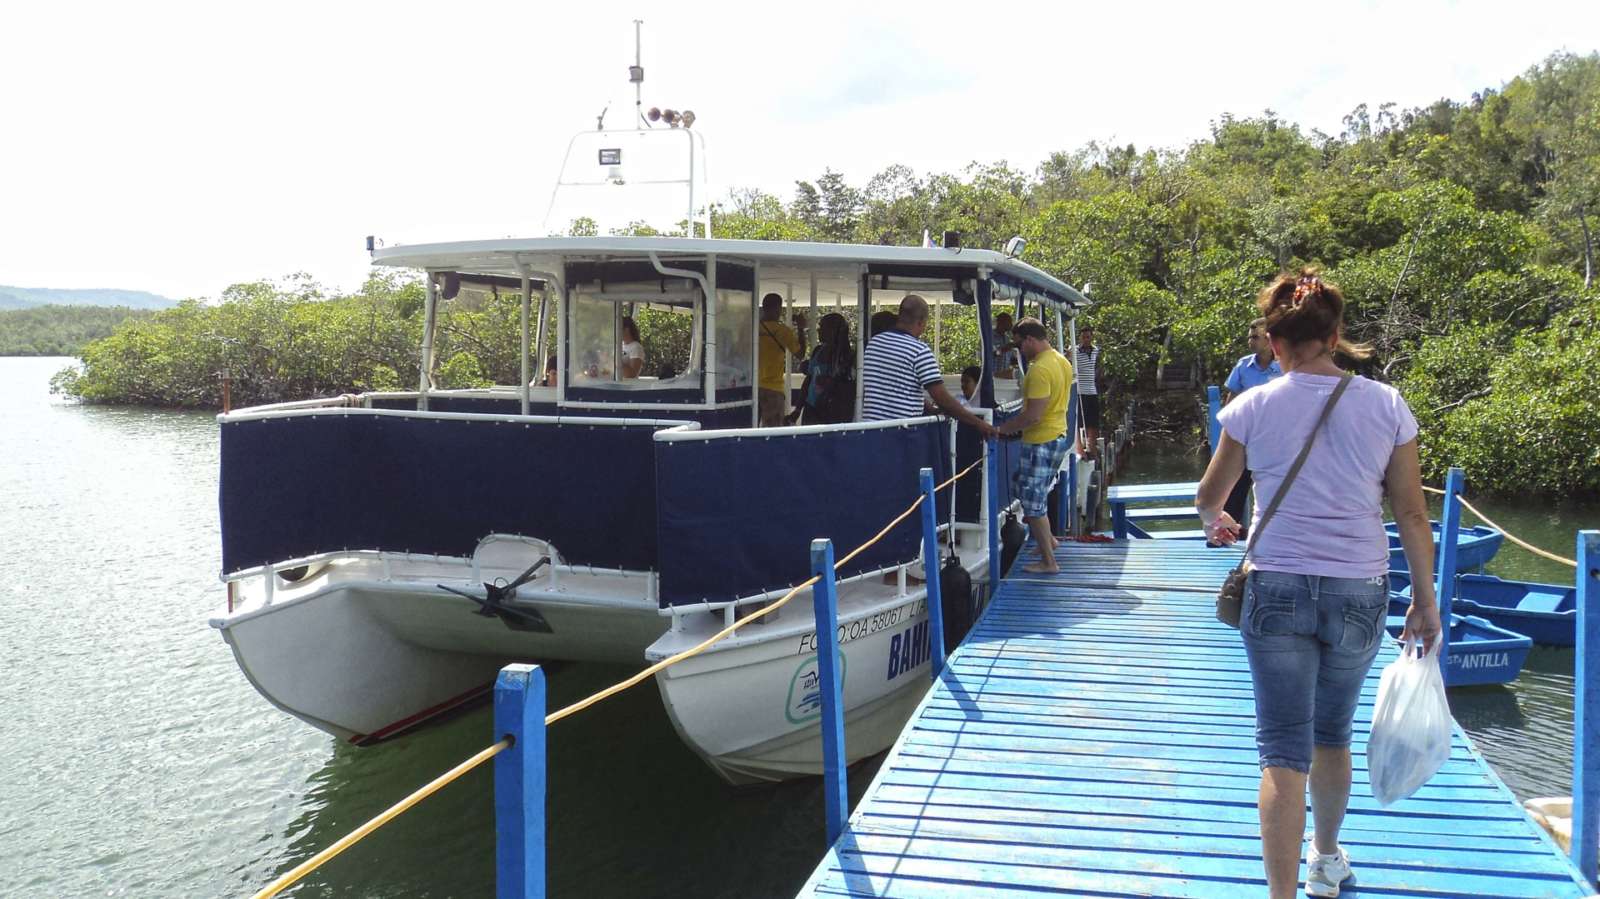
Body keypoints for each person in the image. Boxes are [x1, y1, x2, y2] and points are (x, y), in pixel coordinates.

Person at [1194, 269, 1442, 899]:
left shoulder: (1250, 406)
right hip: (1360, 588)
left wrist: (1216, 520)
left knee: (1282, 747)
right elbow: (1411, 513)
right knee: (1332, 733)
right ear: (1336, 336)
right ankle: (1325, 861)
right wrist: (1425, 599)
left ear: (1274, 344)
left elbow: (1210, 497)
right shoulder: (1386, 404)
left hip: (1274, 583)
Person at [994, 318, 1073, 574]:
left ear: (1030, 340)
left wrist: (1002, 429)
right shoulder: (1061, 361)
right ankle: (1048, 540)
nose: (1019, 350)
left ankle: (1050, 562)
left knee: (1033, 501)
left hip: (1041, 440)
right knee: (1025, 488)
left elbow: (1033, 415)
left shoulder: (1039, 369)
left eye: (1019, 345)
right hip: (1057, 435)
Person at [860, 295, 996, 440]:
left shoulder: (873, 344)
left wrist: (928, 407)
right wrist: (978, 423)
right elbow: (941, 397)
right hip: (900, 435)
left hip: (870, 432)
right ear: (921, 322)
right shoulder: (918, 350)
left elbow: (893, 387)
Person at [1217, 318, 1284, 543]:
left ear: (1269, 339)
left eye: (1255, 337)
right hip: (1246, 439)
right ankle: (1228, 536)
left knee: (1275, 490)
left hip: (1277, 440)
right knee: (1234, 489)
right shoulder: (1243, 365)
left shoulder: (1285, 366)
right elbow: (1231, 401)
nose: (1250, 341)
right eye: (1249, 336)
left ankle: (1272, 537)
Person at [794, 312, 854, 424]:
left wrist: (832, 383)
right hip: (811, 409)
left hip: (832, 413)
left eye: (822, 327)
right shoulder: (818, 351)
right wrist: (797, 410)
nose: (819, 330)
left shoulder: (846, 356)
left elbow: (849, 388)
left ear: (833, 330)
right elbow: (808, 382)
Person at [756, 293, 805, 426]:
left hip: (753, 387)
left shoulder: (753, 329)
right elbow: (800, 354)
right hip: (773, 388)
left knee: (750, 428)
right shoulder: (783, 331)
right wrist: (801, 328)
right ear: (777, 308)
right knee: (774, 431)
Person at [1073, 325, 1106, 456]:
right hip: (1080, 392)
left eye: (1088, 337)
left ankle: (1091, 447)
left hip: (1092, 391)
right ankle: (1080, 448)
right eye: (1083, 337)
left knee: (1093, 423)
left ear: (1091, 337)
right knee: (1079, 422)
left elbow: (1100, 368)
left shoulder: (1096, 351)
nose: (1086, 339)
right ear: (1080, 338)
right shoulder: (1074, 351)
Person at [992, 312, 1021, 379]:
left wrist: (1021, 360)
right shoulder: (989, 337)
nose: (1011, 324)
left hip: (1005, 377)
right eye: (1009, 322)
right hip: (992, 377)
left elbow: (1010, 360)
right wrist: (1003, 350)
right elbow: (990, 355)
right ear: (1001, 322)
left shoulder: (1007, 339)